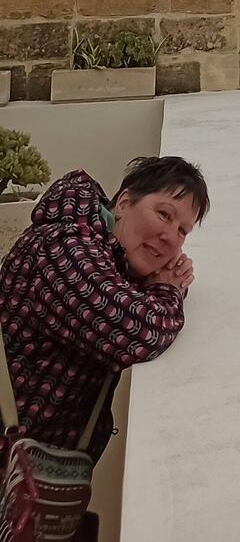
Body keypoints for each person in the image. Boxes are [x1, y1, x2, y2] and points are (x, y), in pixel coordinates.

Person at [0, 155, 208, 475]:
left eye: (182, 230)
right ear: (124, 203)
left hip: (34, 468)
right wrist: (168, 289)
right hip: (14, 472)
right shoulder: (65, 248)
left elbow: (124, 296)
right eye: (163, 214)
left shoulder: (104, 248)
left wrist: (163, 283)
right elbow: (140, 331)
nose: (170, 237)